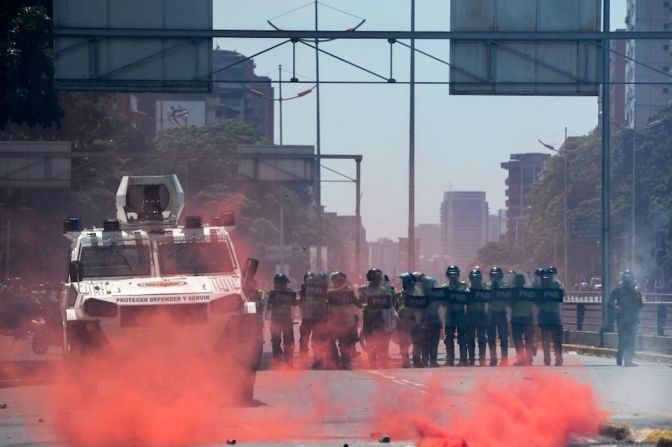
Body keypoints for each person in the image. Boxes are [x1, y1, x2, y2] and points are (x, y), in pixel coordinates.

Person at [359, 268, 395, 368]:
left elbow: (390, 302)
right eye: (376, 276)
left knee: (382, 341)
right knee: (370, 340)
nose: (377, 278)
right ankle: (373, 362)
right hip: (369, 317)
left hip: (381, 316)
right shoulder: (363, 289)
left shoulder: (385, 289)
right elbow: (360, 302)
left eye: (378, 276)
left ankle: (383, 362)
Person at [609, 270, 644, 367]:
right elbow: (610, 303)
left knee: (631, 340)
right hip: (622, 318)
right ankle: (619, 358)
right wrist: (616, 307)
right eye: (626, 277)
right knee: (623, 339)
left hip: (632, 319)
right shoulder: (618, 290)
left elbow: (640, 305)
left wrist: (638, 299)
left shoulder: (636, 291)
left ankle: (628, 360)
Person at [326, 271, 359, 369]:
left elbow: (357, 303)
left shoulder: (347, 292)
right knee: (333, 343)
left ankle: (343, 362)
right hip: (336, 322)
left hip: (344, 322)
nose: (338, 282)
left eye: (339, 281)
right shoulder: (331, 292)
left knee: (343, 343)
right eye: (336, 281)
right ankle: (339, 361)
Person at [299, 271, 329, 368]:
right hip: (316, 318)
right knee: (314, 340)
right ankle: (316, 361)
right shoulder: (324, 291)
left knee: (307, 340)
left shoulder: (304, 291)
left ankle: (307, 361)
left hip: (311, 318)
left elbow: (299, 303)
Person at [535, 266, 563, 366]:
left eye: (548, 278)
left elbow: (562, 294)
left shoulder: (557, 285)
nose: (545, 280)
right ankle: (547, 359)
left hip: (555, 316)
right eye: (544, 279)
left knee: (557, 340)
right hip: (543, 315)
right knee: (545, 339)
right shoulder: (538, 288)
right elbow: (534, 300)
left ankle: (559, 359)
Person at [267, 273, 297, 366]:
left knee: (286, 341)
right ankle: (279, 360)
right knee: (277, 341)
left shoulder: (273, 293)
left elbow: (268, 308)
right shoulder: (275, 293)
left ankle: (286, 359)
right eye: (282, 284)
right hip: (279, 320)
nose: (283, 286)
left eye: (283, 284)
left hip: (281, 320)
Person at [442, 265, 468, 366]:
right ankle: (450, 360)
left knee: (462, 338)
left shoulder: (463, 285)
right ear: (448, 275)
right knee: (448, 339)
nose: (453, 277)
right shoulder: (444, 287)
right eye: (451, 275)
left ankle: (463, 360)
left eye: (455, 274)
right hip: (449, 314)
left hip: (460, 313)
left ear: (458, 275)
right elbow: (442, 303)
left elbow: (467, 297)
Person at [394, 273, 418, 368]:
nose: (401, 283)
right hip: (402, 320)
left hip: (414, 320)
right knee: (403, 342)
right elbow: (394, 307)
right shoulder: (399, 295)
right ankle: (405, 360)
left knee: (417, 341)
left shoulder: (418, 294)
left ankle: (416, 360)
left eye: (403, 282)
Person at [510, 273, 535, 366]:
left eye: (519, 281)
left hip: (526, 318)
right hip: (517, 318)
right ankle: (521, 359)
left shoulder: (529, 291)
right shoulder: (512, 292)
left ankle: (528, 359)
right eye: (517, 281)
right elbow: (509, 304)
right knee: (518, 340)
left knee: (527, 340)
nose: (518, 282)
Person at [487, 266, 509, 366]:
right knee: (491, 337)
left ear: (501, 275)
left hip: (501, 312)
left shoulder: (505, 285)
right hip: (491, 313)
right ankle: (493, 358)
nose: (495, 276)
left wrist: (498, 287)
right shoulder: (487, 285)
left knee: (503, 337)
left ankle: (504, 358)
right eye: (493, 275)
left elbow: (508, 296)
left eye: (497, 275)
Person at [466, 267, 489, 366]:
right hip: (470, 314)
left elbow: (489, 299)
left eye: (477, 278)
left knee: (482, 338)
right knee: (470, 338)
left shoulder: (484, 289)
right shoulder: (467, 289)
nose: (475, 280)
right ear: (470, 278)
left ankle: (482, 358)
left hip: (481, 314)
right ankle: (471, 359)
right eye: (473, 278)